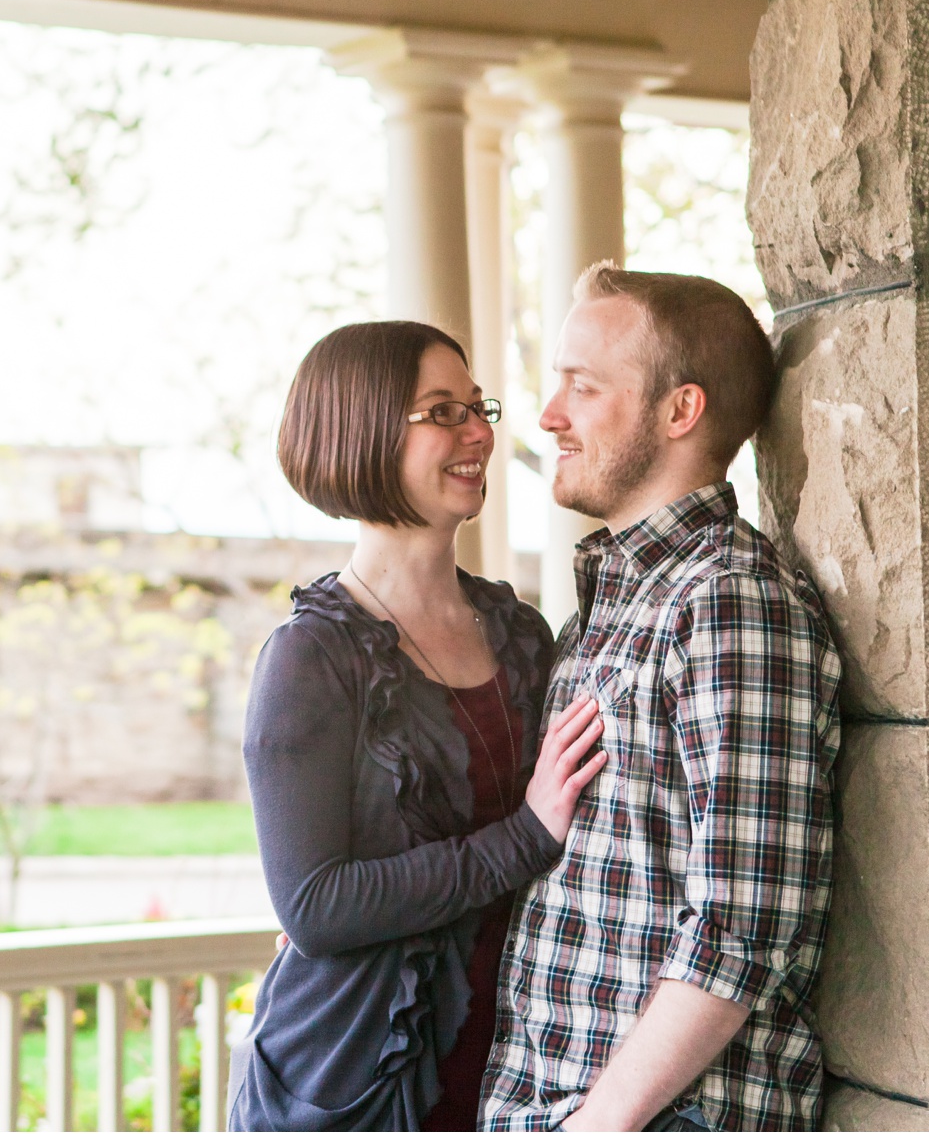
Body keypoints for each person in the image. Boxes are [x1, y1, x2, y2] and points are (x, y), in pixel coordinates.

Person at [481, 264, 843, 1132]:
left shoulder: (730, 602)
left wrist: (593, 1127)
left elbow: (741, 929)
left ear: (680, 411)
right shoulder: (610, 608)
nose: (548, 414)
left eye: (585, 385)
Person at [229, 320, 608, 1131]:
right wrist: (525, 836)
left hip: (517, 1075)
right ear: (362, 431)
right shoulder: (310, 658)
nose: (480, 432)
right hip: (349, 1085)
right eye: (442, 412)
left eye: (479, 407)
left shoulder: (519, 631)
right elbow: (316, 906)